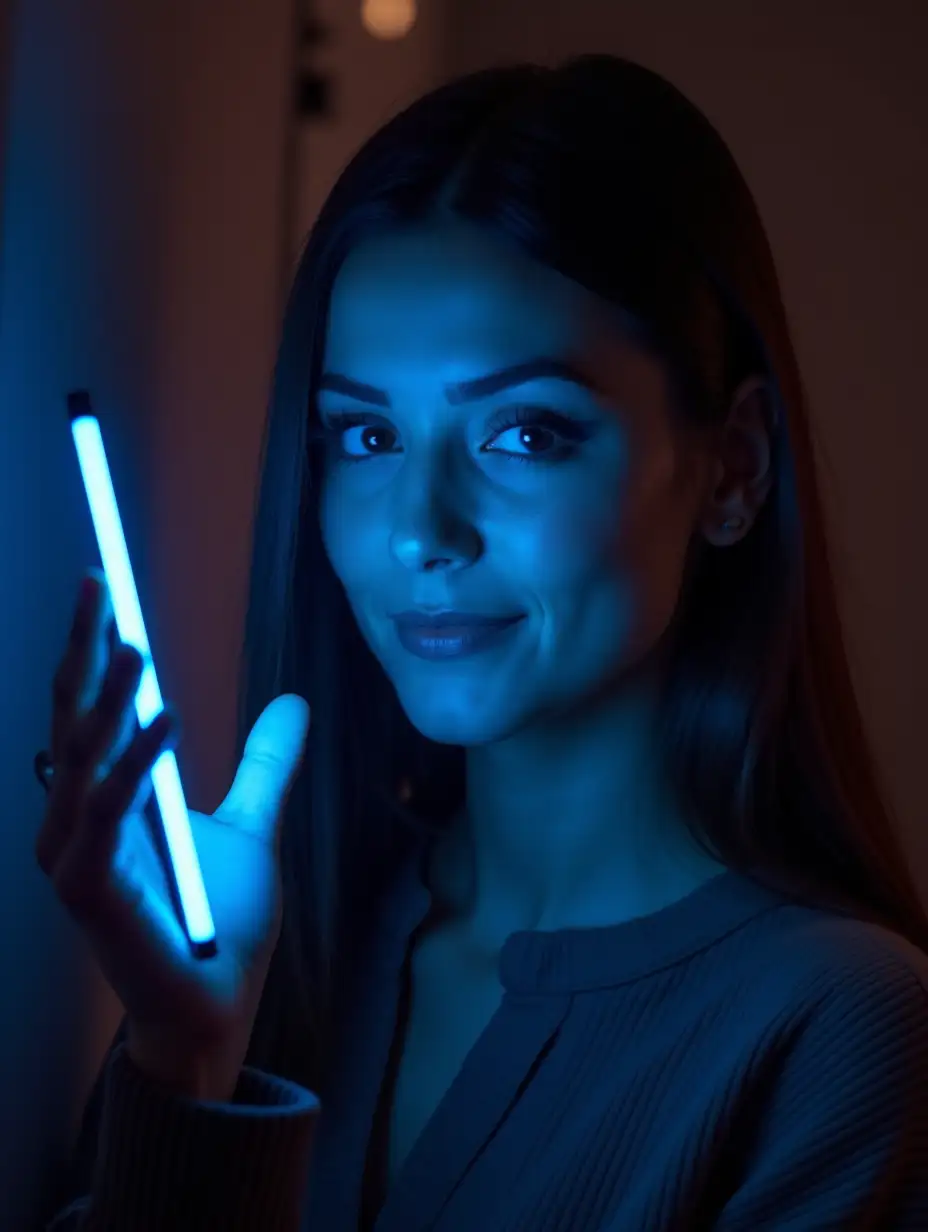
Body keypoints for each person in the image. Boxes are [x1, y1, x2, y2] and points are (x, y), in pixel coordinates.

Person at [39, 54, 928, 1232]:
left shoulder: (840, 1029)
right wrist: (184, 1060)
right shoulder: (283, 945)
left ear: (734, 466)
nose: (419, 531)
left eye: (524, 431)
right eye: (363, 436)